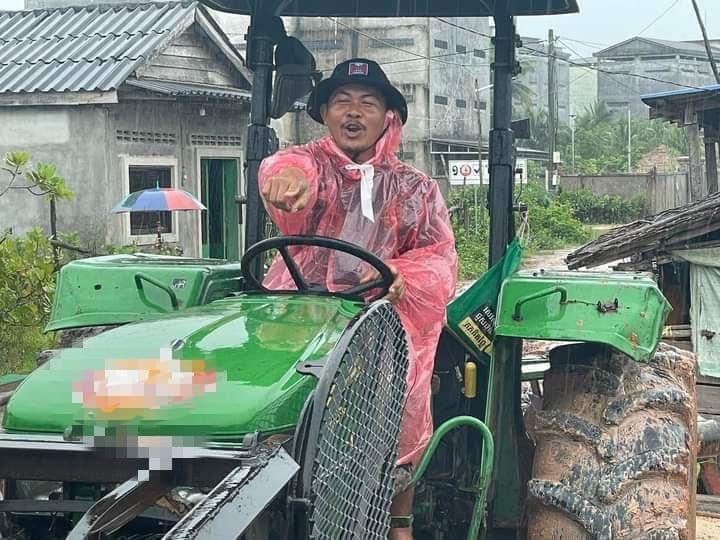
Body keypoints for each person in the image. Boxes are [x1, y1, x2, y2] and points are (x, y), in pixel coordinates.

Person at [258, 58, 458, 539]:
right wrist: (286, 180)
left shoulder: (415, 188)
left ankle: (398, 515)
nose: (353, 111)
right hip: (299, 307)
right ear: (325, 113)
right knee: (269, 384)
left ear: (388, 116)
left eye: (367, 103)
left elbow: (438, 259)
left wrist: (399, 273)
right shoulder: (310, 165)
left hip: (383, 314)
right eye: (342, 101)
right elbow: (288, 171)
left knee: (405, 387)